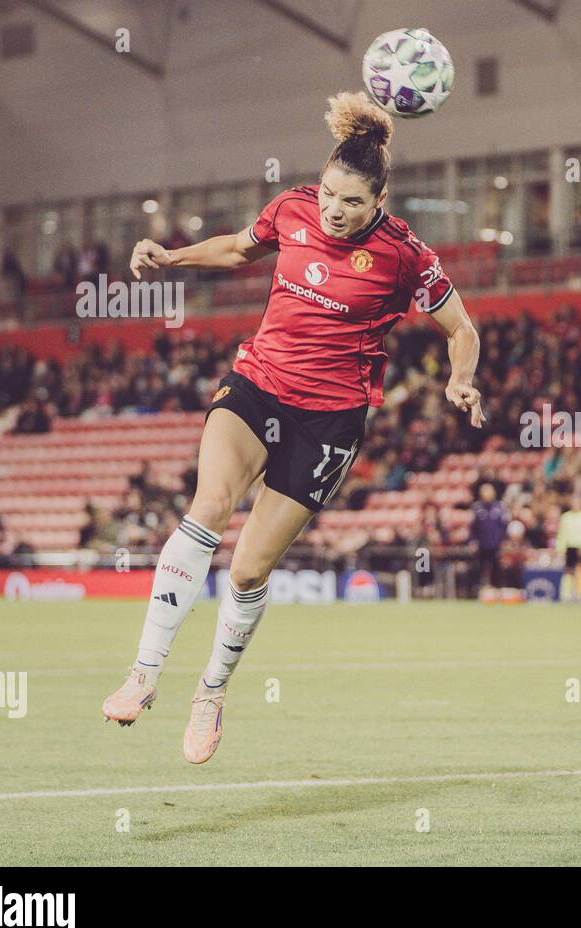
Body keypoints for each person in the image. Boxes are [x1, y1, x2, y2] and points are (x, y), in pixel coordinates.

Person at [102, 91, 486, 763]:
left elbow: (462, 328)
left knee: (249, 567)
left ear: (381, 200)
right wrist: (173, 258)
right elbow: (237, 250)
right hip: (257, 386)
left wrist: (461, 377)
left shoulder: (406, 258)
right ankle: (143, 672)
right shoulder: (292, 208)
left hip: (329, 421)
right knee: (207, 508)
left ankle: (211, 690)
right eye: (331, 195)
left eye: (352, 203)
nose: (335, 212)